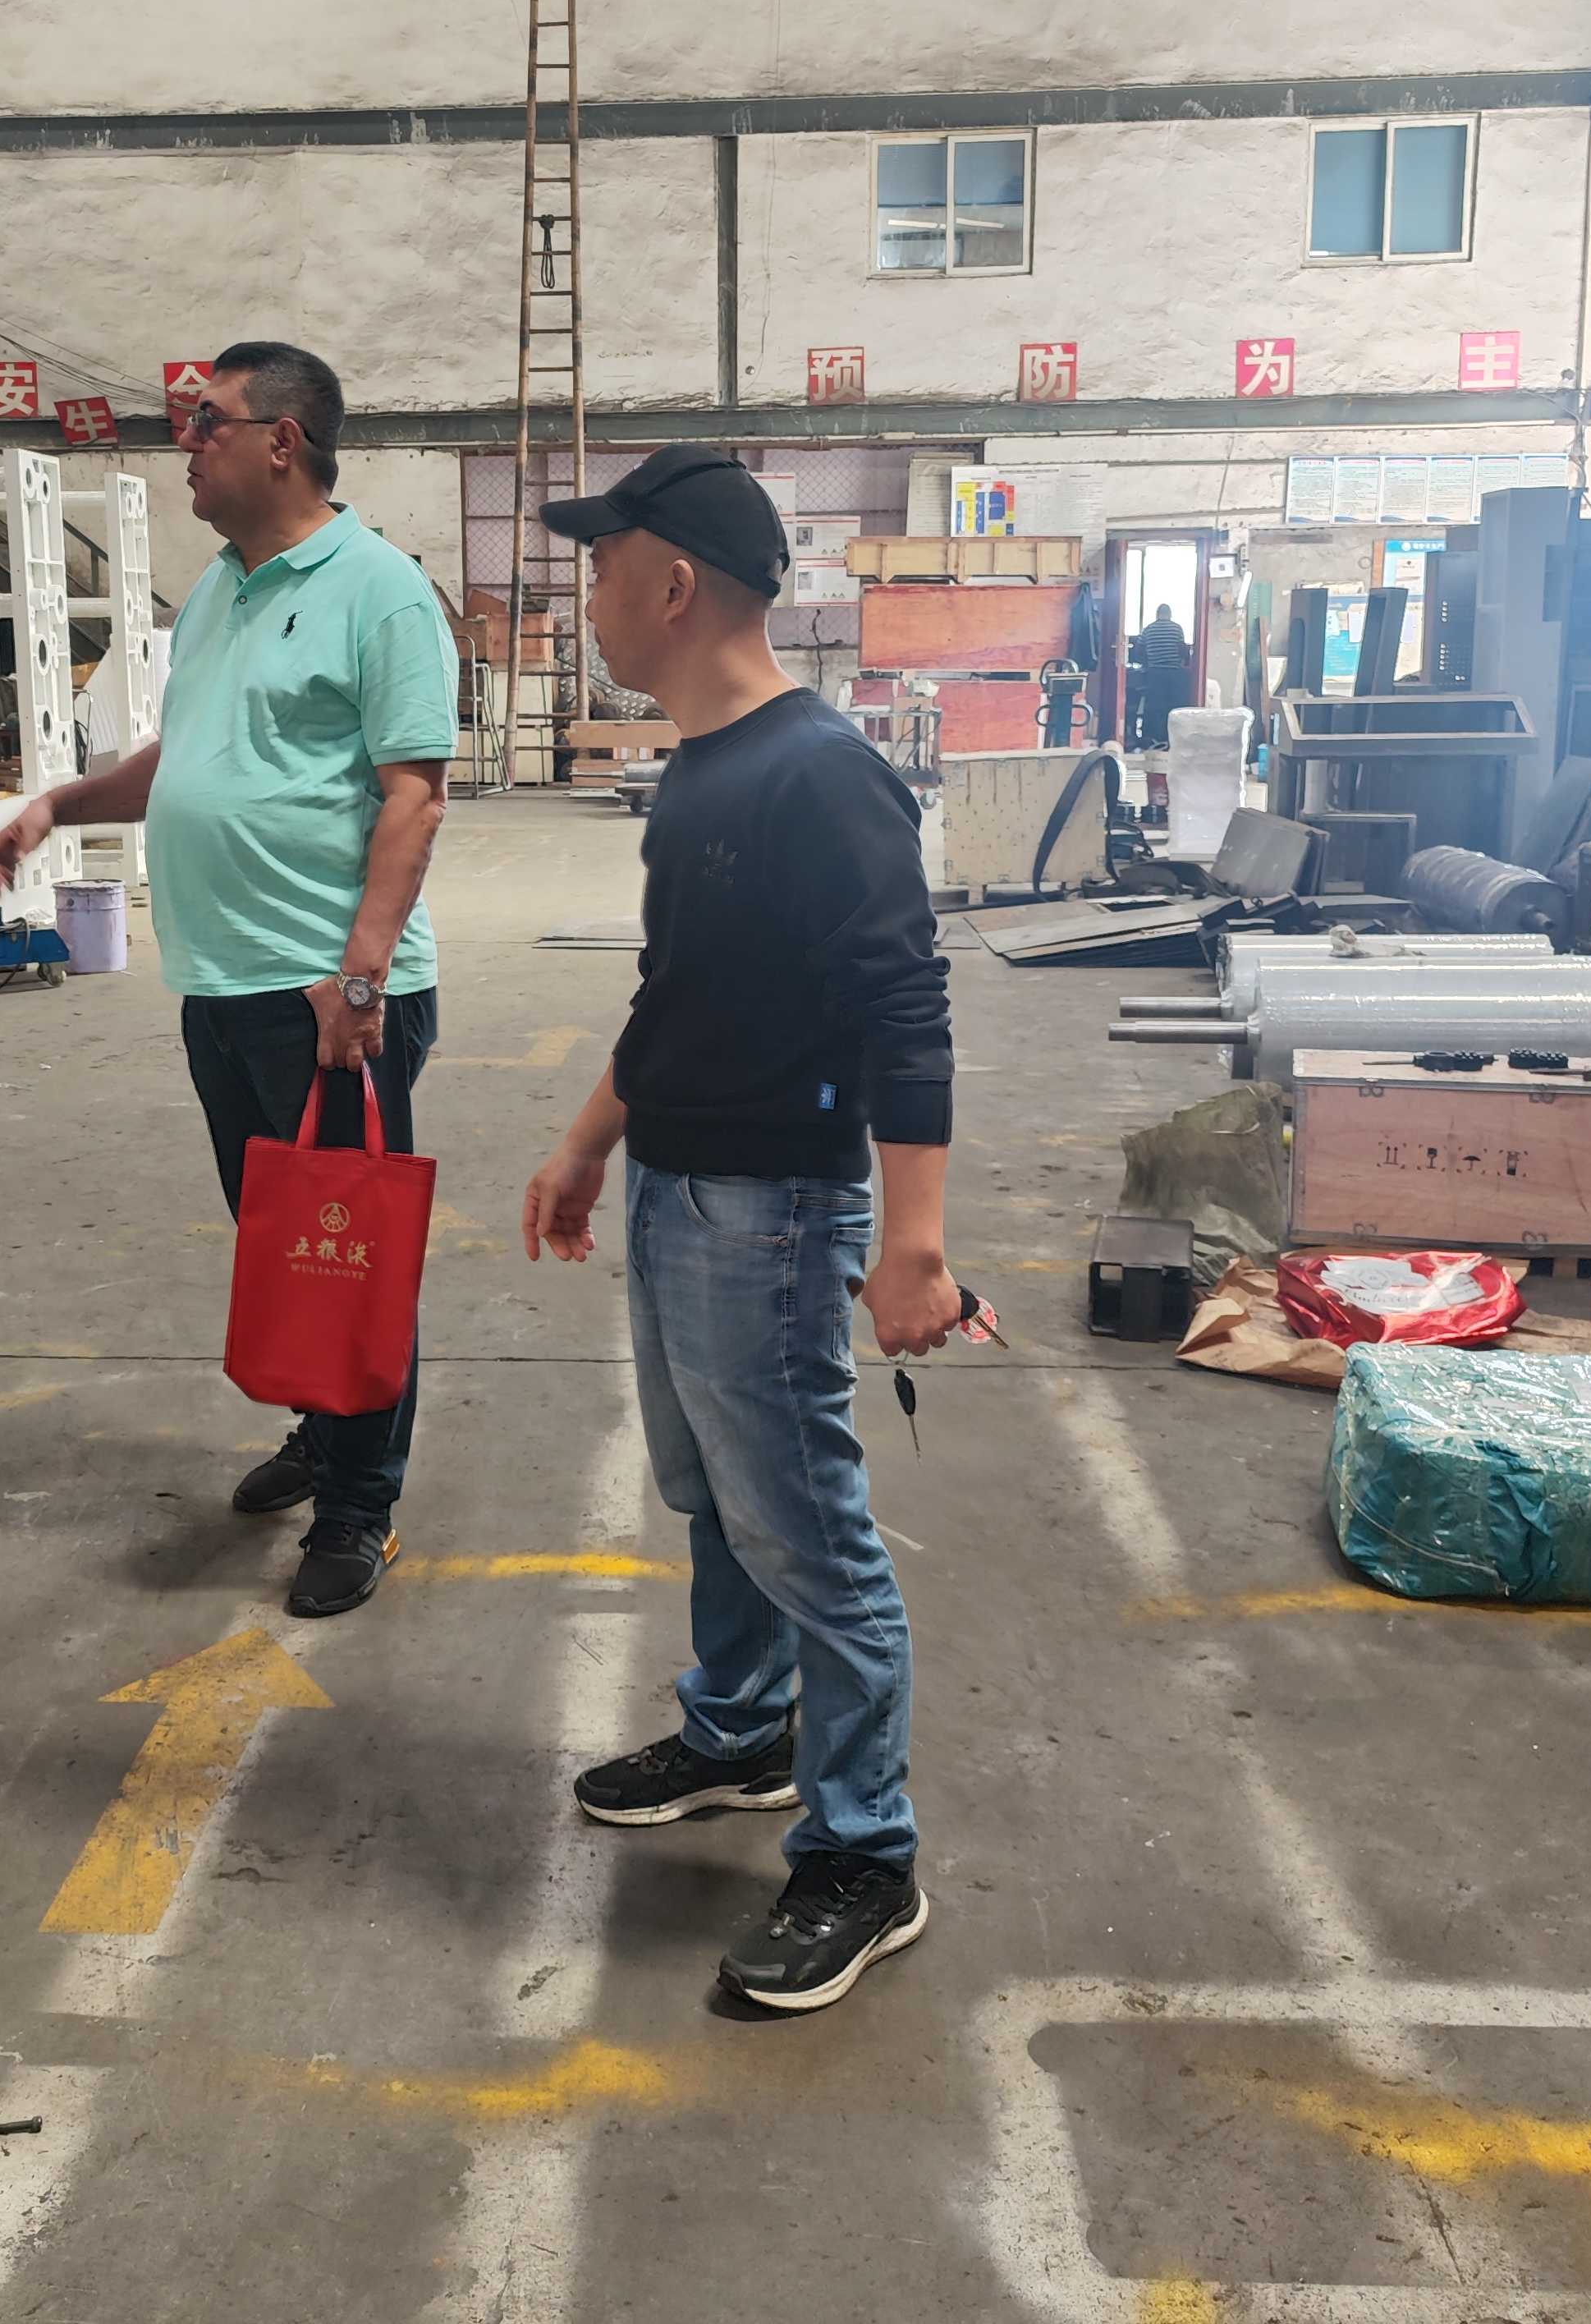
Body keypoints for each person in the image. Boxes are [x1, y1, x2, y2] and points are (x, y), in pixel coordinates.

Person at [518, 445, 960, 2014]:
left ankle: (864, 1851)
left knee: (808, 1533)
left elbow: (905, 1002)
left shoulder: (818, 772)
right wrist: (589, 1146)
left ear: (674, 583)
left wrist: (912, 1241)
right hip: (680, 1189)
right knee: (714, 1491)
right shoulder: (704, 767)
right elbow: (678, 995)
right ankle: (739, 1731)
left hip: (772, 1213)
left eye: (599, 567)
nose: (585, 597)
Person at [0, 342, 455, 1619]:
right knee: (287, 1245)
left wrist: (362, 979)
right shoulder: (217, 592)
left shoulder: (378, 592)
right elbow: (185, 752)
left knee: (351, 1254)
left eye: (207, 424)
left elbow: (415, 796)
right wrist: (64, 802)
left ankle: (360, 1505)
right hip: (224, 984)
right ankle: (323, 1432)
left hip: (325, 994)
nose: (184, 446)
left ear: (282, 442)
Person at [1123, 599, 1191, 750]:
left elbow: (1139, 650)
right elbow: (1182, 649)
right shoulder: (1177, 628)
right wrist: (1183, 662)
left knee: (1154, 707)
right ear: (1170, 615)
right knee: (1172, 706)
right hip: (1173, 673)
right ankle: (1170, 737)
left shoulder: (1149, 629)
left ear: (1157, 614)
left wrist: (1147, 662)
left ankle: (1153, 737)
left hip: (1154, 673)